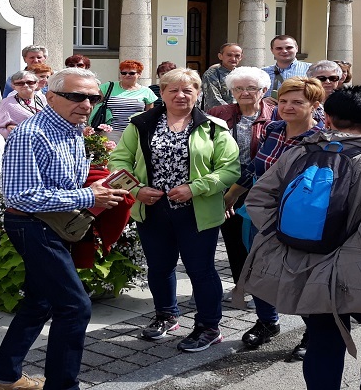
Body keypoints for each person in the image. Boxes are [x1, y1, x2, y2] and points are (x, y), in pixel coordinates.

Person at [239, 86, 361, 390]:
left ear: (327, 118)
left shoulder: (298, 151)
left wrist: (285, 237)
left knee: (324, 338)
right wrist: (354, 252)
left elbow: (258, 199)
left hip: (303, 264)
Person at [0, 68, 127, 390]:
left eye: (93, 97)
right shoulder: (30, 134)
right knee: (75, 307)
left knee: (40, 302)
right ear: (50, 96)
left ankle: (4, 377)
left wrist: (98, 183)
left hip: (52, 223)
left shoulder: (73, 128)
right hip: (32, 224)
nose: (86, 104)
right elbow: (21, 195)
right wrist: (90, 194)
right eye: (76, 96)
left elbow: (63, 181)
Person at [109, 68, 240, 353]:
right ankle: (166, 315)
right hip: (153, 210)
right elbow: (118, 161)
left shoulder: (214, 127)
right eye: (173, 90)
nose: (181, 95)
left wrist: (195, 188)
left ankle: (209, 326)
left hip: (197, 211)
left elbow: (230, 169)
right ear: (162, 93)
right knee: (159, 267)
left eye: (188, 90)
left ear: (198, 93)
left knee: (201, 270)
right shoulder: (141, 124)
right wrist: (136, 190)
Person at [224, 76, 326, 359]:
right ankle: (268, 321)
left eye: (297, 102)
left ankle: (313, 331)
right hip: (260, 212)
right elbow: (253, 167)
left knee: (299, 275)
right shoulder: (273, 128)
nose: (288, 107)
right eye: (283, 101)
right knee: (258, 269)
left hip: (297, 217)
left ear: (315, 105)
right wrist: (232, 195)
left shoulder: (321, 139)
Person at [205, 66, 273, 298]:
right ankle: (240, 286)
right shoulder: (217, 112)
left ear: (264, 90)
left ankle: (261, 289)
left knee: (258, 241)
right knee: (233, 240)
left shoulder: (275, 116)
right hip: (225, 184)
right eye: (238, 88)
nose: (244, 92)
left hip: (261, 187)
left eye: (251, 88)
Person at [91, 60, 157, 141]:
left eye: (131, 73)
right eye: (124, 73)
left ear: (139, 74)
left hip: (134, 132)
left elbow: (149, 115)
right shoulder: (108, 87)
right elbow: (93, 104)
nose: (127, 75)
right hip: (111, 131)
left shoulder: (146, 92)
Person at [0, 70, 47, 138]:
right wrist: (15, 132)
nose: (25, 85)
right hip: (23, 143)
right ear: (13, 86)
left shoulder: (44, 99)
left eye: (30, 82)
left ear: (36, 84)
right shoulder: (7, 103)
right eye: (20, 83)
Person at [201, 43, 244, 111]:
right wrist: (233, 112)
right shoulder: (212, 74)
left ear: (241, 57)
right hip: (219, 114)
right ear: (220, 56)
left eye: (237, 56)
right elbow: (214, 99)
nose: (233, 58)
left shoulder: (243, 74)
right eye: (229, 55)